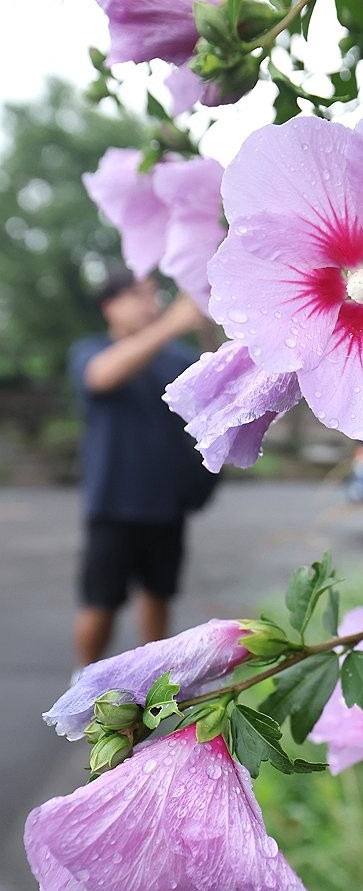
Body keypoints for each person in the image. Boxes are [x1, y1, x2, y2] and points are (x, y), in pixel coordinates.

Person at [69, 267, 218, 669]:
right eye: (138, 294)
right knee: (100, 603)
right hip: (112, 506)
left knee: (158, 596)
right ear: (109, 306)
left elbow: (216, 383)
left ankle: (153, 686)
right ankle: (83, 680)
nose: (150, 303)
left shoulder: (176, 357)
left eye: (154, 294)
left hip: (166, 505)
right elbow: (102, 376)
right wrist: (172, 324)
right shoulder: (91, 351)